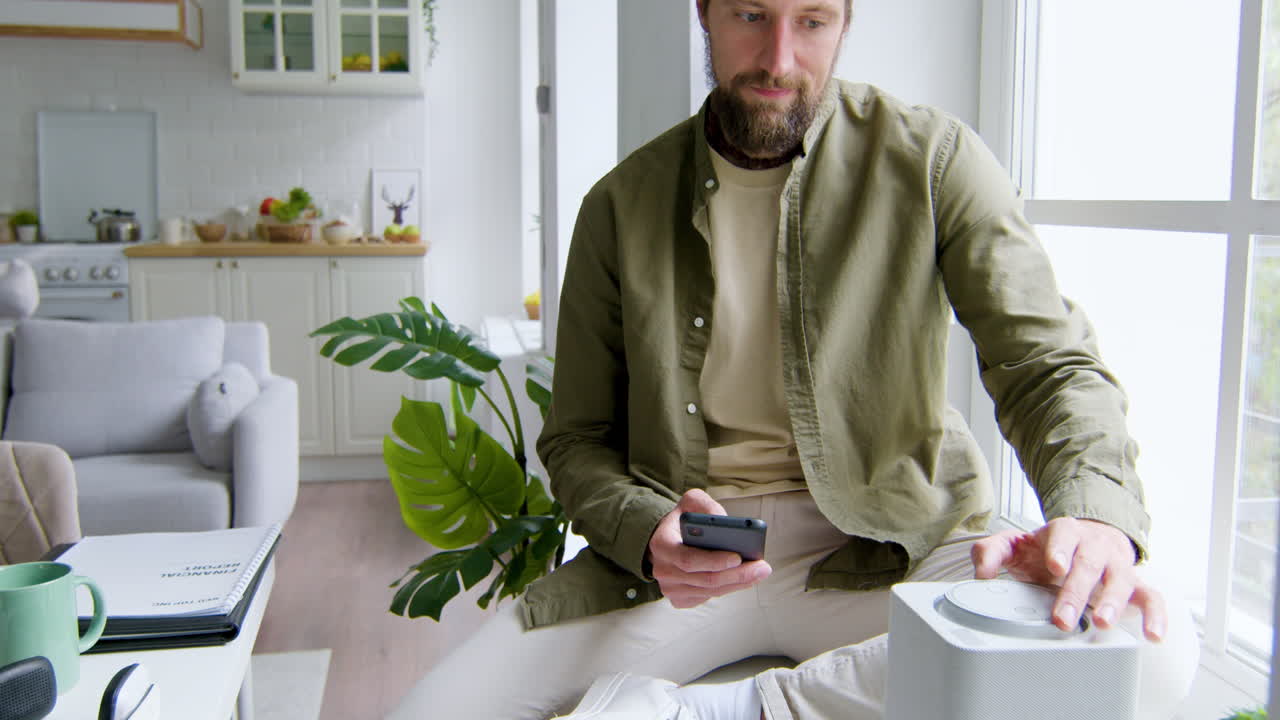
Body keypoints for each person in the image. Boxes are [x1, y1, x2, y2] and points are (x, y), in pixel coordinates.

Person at [389, 1, 1198, 718]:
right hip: (689, 563)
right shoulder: (619, 205)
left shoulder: (936, 162)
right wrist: (647, 531)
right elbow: (575, 441)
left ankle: (743, 709)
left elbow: (1048, 366)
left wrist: (1093, 514)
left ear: (846, 22)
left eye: (811, 20)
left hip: (895, 544)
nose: (779, 58)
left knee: (1149, 650)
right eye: (751, 15)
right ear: (704, 12)